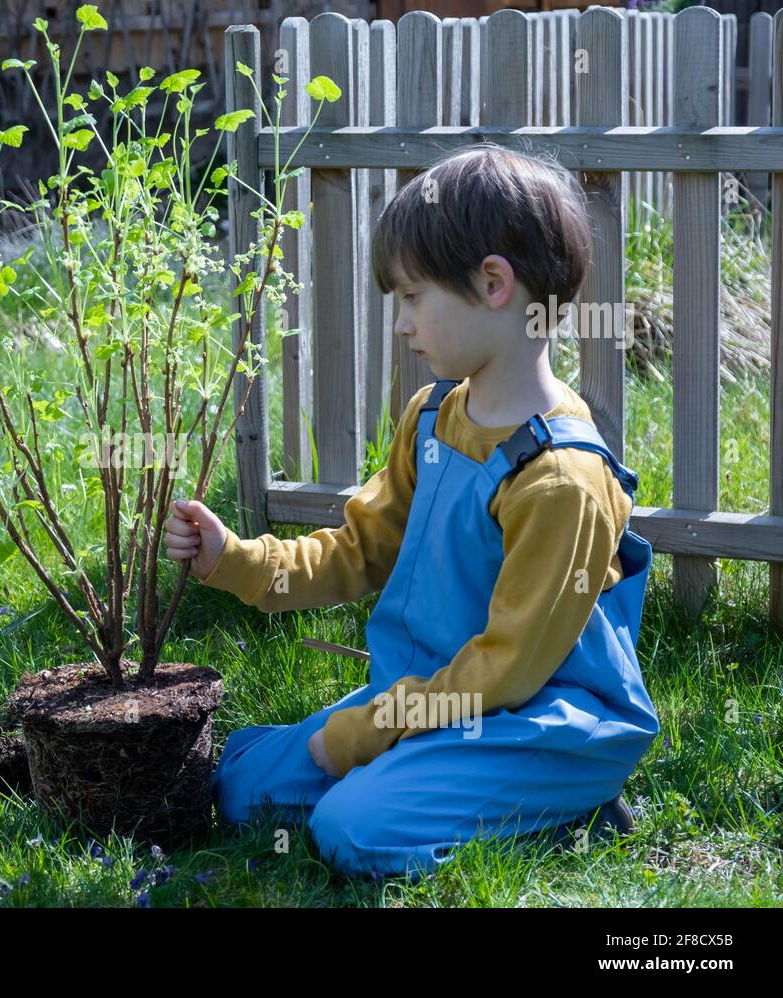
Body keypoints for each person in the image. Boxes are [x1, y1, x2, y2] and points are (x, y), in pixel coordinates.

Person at [164, 143, 661, 880]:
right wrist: (236, 559)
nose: (402, 323)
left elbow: (508, 672)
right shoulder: (434, 416)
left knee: (349, 830)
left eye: (412, 296)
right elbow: (359, 549)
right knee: (243, 787)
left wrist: (368, 728)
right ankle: (423, 783)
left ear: (494, 283)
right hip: (436, 698)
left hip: (540, 723)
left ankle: (569, 810)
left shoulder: (561, 480)